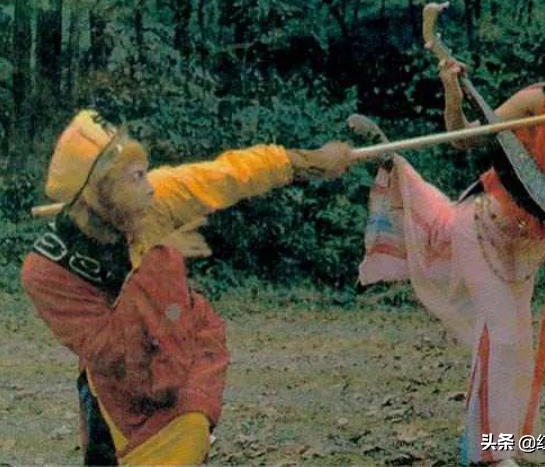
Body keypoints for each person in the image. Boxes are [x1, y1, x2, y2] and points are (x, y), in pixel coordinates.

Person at [359, 0, 545, 466]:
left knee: (515, 344)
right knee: (504, 338)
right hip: (486, 228)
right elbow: (464, 138)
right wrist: (452, 88)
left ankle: (502, 445)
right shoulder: (538, 99)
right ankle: (491, 455)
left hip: (530, 244)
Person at [21, 109, 352, 465]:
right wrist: (159, 266)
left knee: (187, 427)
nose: (150, 187)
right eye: (136, 178)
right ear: (101, 192)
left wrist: (306, 162)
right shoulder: (49, 272)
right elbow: (118, 354)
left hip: (179, 348)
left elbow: (228, 174)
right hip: (119, 376)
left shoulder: (155, 199)